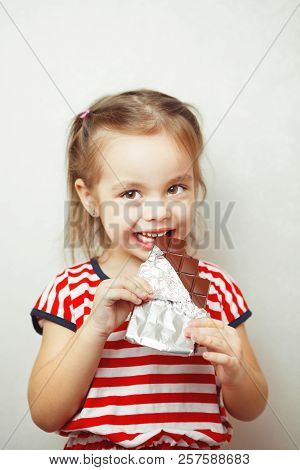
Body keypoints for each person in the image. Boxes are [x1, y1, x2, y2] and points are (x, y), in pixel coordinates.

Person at [27, 88, 268, 451]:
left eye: (175, 187)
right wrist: (95, 328)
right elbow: (45, 414)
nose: (156, 210)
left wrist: (236, 370)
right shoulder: (70, 291)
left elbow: (251, 409)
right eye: (130, 194)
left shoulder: (217, 287)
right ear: (90, 198)